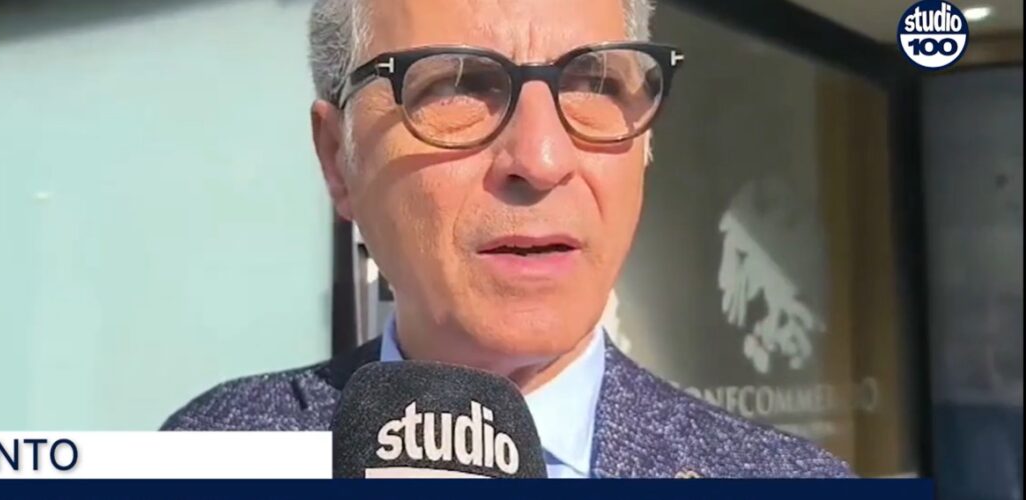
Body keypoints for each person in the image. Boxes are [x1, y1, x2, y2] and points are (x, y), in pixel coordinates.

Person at [163, 0, 853, 478]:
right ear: (337, 159)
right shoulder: (210, 457)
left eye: (593, 82)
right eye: (458, 86)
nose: (542, 159)